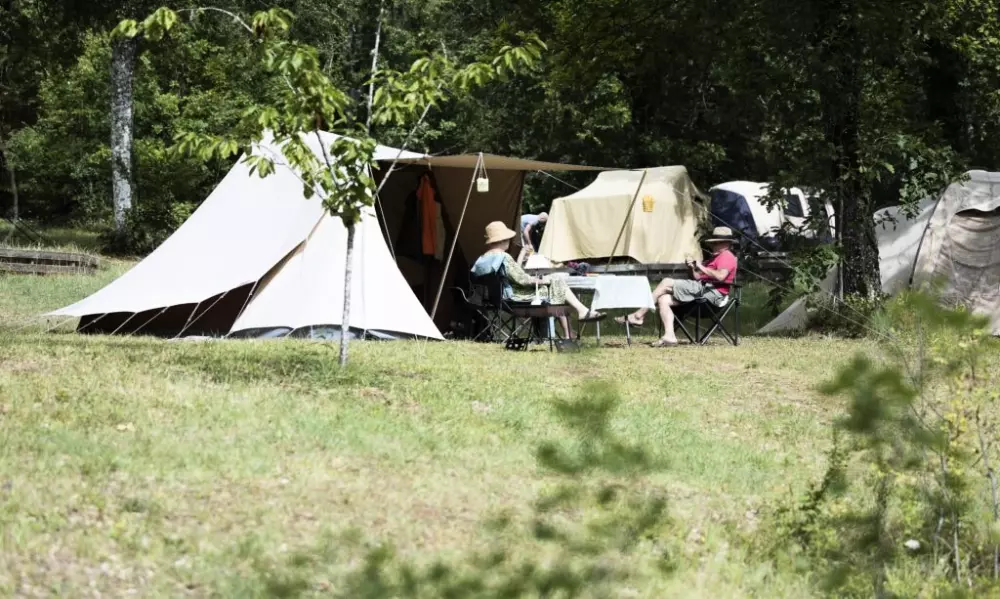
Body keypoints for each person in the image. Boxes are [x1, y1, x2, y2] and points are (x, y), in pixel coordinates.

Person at [472, 221, 605, 338]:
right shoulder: (504, 257)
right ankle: (572, 325)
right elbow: (523, 279)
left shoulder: (482, 260)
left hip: (496, 299)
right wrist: (542, 280)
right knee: (556, 282)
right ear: (502, 240)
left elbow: (513, 276)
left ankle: (574, 322)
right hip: (515, 298)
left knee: (555, 283)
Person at [615, 227, 738, 347]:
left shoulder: (727, 256)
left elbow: (721, 276)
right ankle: (670, 336)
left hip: (713, 296)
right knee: (663, 299)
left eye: (717, 243)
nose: (713, 246)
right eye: (713, 243)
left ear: (726, 244)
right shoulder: (714, 259)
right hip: (702, 291)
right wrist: (691, 268)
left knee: (666, 282)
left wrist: (700, 266)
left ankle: (639, 315)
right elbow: (696, 278)